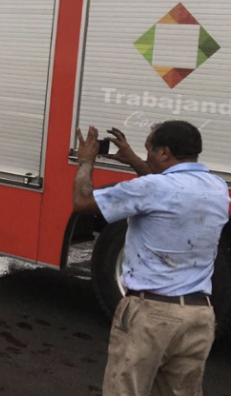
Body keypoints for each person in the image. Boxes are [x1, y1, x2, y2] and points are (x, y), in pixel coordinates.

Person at [73, 123, 229, 396]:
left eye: (148, 150)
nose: (146, 157)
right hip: (198, 318)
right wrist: (133, 159)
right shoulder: (217, 187)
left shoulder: (150, 188)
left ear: (165, 152)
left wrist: (86, 161)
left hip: (151, 316)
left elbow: (83, 202)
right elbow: (165, 188)